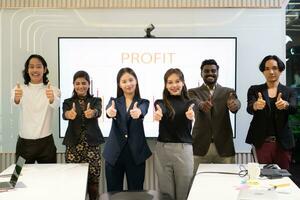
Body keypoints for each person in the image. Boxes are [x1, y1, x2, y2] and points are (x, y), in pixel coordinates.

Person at [103, 67, 152, 192]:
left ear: (136, 81)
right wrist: (110, 112)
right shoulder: (113, 101)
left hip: (135, 155)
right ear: (119, 84)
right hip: (114, 154)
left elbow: (143, 110)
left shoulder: (143, 102)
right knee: (114, 194)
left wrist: (139, 112)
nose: (128, 84)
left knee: (136, 193)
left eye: (131, 80)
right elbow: (109, 111)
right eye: (124, 81)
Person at [188, 59, 241, 172]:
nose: (210, 73)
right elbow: (195, 102)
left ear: (218, 72)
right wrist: (202, 105)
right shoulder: (192, 92)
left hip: (224, 146)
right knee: (197, 183)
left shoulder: (228, 91)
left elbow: (235, 101)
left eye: (213, 70)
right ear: (201, 73)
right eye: (206, 71)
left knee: (227, 181)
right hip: (200, 146)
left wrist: (234, 105)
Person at [246, 55, 297, 170]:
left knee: (283, 177)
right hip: (261, 142)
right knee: (262, 177)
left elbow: (294, 108)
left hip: (283, 143)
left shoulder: (289, 91)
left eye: (274, 68)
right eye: (267, 69)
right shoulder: (254, 90)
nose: (271, 71)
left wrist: (286, 105)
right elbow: (249, 108)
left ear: (281, 70)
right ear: (263, 71)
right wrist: (255, 105)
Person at [62, 70, 104, 200]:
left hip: (92, 146)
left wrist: (93, 113)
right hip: (73, 147)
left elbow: (98, 111)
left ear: (88, 84)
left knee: (93, 183)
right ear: (73, 85)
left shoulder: (96, 100)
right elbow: (65, 114)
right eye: (77, 83)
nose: (81, 86)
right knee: (74, 182)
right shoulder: (68, 102)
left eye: (84, 83)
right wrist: (69, 114)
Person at [153, 68, 194, 200]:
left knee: (184, 193)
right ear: (165, 85)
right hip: (162, 151)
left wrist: (192, 116)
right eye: (170, 82)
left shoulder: (190, 103)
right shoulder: (160, 103)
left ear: (183, 82)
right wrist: (159, 114)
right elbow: (161, 110)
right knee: (166, 195)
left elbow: (195, 115)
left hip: (184, 151)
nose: (174, 85)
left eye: (177, 81)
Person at [11, 54, 60, 163]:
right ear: (27, 70)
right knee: (17, 177)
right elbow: (14, 102)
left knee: (49, 177)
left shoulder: (53, 90)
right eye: (31, 67)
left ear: (45, 69)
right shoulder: (18, 89)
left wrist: (52, 99)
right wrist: (16, 98)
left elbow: (56, 105)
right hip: (24, 144)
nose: (35, 70)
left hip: (46, 144)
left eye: (38, 66)